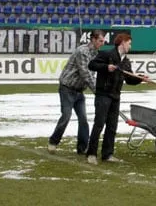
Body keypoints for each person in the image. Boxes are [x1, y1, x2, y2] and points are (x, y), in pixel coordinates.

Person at [85, 33, 146, 164]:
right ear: (122, 43)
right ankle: (91, 154)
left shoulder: (125, 61)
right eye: (129, 43)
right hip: (103, 94)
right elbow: (92, 65)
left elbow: (129, 79)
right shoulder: (106, 54)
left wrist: (140, 78)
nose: (130, 46)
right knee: (99, 124)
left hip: (115, 96)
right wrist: (106, 67)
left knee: (112, 126)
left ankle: (107, 154)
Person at [47, 29, 105, 155]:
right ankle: (53, 141)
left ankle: (82, 148)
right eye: (100, 41)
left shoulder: (97, 55)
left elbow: (93, 74)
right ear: (93, 39)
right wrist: (97, 91)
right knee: (66, 116)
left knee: (83, 119)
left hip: (79, 91)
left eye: (103, 41)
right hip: (67, 88)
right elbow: (85, 73)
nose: (102, 43)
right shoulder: (82, 51)